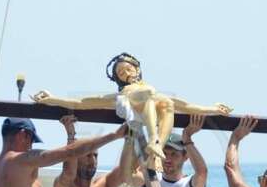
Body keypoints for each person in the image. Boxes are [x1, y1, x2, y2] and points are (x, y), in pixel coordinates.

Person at [33, 52, 231, 174]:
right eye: (121, 73)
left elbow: (186, 106)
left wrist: (214, 109)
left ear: (137, 69)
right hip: (132, 106)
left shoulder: (152, 91)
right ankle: (155, 143)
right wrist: (51, 99)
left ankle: (156, 147)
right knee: (151, 94)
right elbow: (82, 102)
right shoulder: (124, 92)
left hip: (150, 104)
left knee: (168, 102)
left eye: (128, 69)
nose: (126, 73)